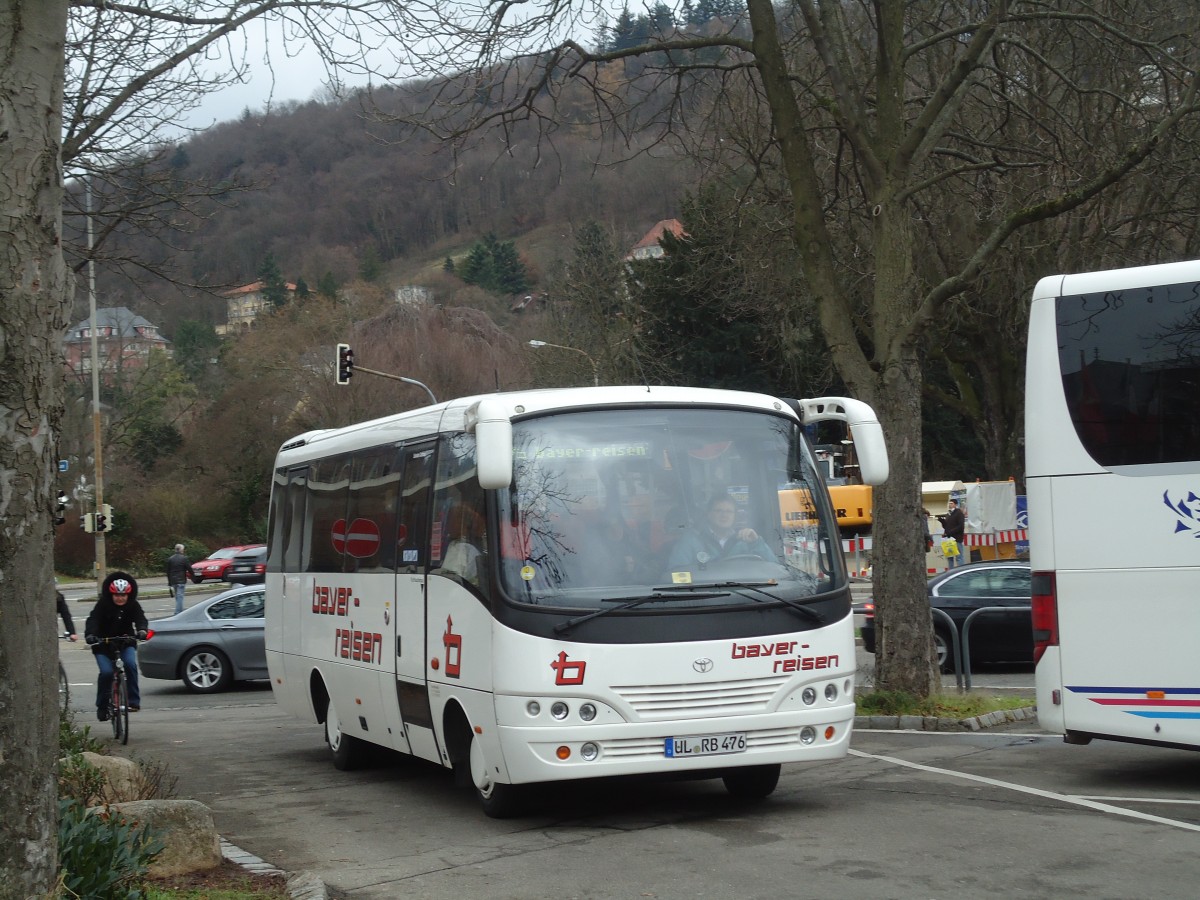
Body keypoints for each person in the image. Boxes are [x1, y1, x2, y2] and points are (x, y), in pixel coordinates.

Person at [85, 572, 148, 721]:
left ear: (128, 595)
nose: (120, 598)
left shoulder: (133, 605)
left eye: (123, 595)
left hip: (125, 642)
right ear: (111, 595)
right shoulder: (102, 605)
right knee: (106, 673)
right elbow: (93, 620)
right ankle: (102, 706)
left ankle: (133, 701)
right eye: (117, 595)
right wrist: (91, 634)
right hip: (103, 644)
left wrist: (142, 630)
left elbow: (140, 619)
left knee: (130, 665)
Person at [668, 495, 775, 572]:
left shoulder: (747, 540)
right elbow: (675, 573)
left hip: (744, 593)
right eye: (719, 511)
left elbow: (775, 569)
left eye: (729, 511)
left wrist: (756, 543)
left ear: (735, 516)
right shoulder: (691, 540)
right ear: (709, 514)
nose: (724, 515)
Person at [937, 499, 966, 568]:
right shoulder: (949, 514)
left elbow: (961, 526)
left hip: (957, 539)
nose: (950, 505)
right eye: (949, 503)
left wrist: (951, 532)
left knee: (959, 557)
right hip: (949, 538)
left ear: (955, 504)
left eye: (951, 503)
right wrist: (942, 522)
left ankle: (961, 571)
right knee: (949, 557)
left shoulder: (959, 513)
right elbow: (946, 526)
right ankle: (951, 571)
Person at [166, 543, 191, 614]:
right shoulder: (184, 558)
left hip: (173, 580)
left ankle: (179, 610)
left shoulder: (170, 559)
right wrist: (193, 577)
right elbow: (189, 568)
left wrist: (169, 582)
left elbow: (168, 571)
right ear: (181, 550)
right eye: (183, 549)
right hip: (181, 580)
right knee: (180, 596)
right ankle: (178, 612)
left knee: (177, 596)